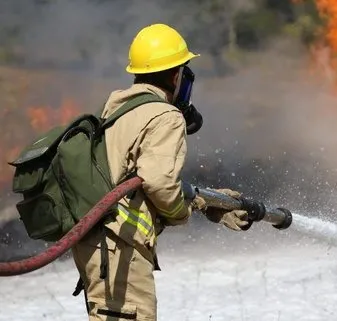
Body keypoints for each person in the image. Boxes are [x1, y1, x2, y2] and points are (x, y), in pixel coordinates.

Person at [70, 23, 250, 321]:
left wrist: (206, 201)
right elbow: (159, 184)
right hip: (121, 245)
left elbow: (136, 181)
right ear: (176, 75)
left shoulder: (117, 110)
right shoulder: (165, 116)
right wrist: (181, 214)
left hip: (96, 242)